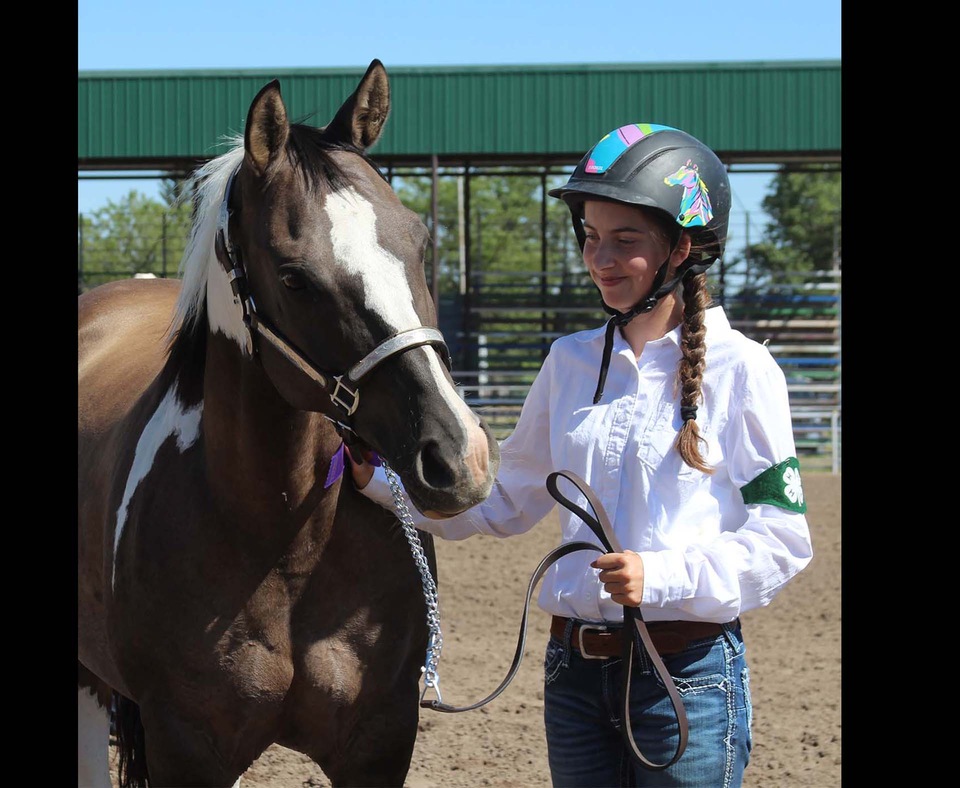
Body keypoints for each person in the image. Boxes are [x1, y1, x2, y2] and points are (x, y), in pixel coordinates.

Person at [346, 123, 813, 788]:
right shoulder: (568, 363)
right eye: (592, 238)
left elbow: (783, 538)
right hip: (573, 677)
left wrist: (662, 575)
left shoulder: (746, 371)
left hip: (688, 676)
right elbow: (503, 502)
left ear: (683, 247)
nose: (601, 259)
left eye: (626, 241)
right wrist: (378, 484)